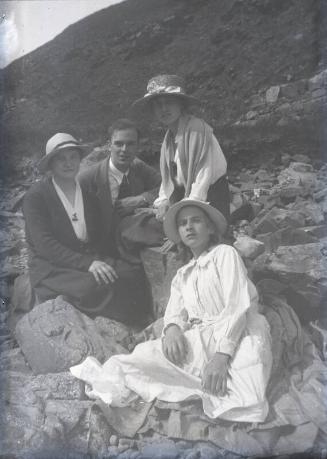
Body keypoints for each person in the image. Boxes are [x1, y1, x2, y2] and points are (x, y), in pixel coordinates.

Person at [71, 199, 272, 422]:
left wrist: (221, 357)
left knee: (247, 400)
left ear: (210, 228)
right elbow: (174, 313)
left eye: (196, 221)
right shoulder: (182, 275)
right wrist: (174, 329)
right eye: (183, 223)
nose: (189, 227)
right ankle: (190, 379)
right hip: (201, 337)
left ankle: (197, 380)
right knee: (131, 362)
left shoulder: (225, 254)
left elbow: (237, 306)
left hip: (239, 332)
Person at [23, 132, 150, 325]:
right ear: (50, 164)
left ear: (80, 159)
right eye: (61, 159)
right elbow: (44, 246)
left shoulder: (88, 194)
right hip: (52, 266)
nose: (68, 163)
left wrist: (106, 259)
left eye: (73, 157)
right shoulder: (36, 197)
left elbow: (98, 235)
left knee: (131, 272)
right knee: (94, 285)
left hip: (86, 257)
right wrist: (88, 264)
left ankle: (139, 322)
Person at [132, 74, 230, 224]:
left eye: (169, 102)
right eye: (158, 105)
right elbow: (169, 181)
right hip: (186, 199)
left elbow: (204, 176)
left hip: (209, 200)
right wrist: (164, 201)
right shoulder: (169, 140)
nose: (163, 109)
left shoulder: (197, 130)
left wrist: (185, 211)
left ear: (181, 104)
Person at [78, 118, 164, 262]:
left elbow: (166, 187)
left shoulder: (138, 167)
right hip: (100, 248)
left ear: (137, 146)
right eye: (119, 144)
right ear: (109, 145)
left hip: (131, 241)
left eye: (130, 144)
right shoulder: (88, 179)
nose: (124, 150)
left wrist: (142, 198)